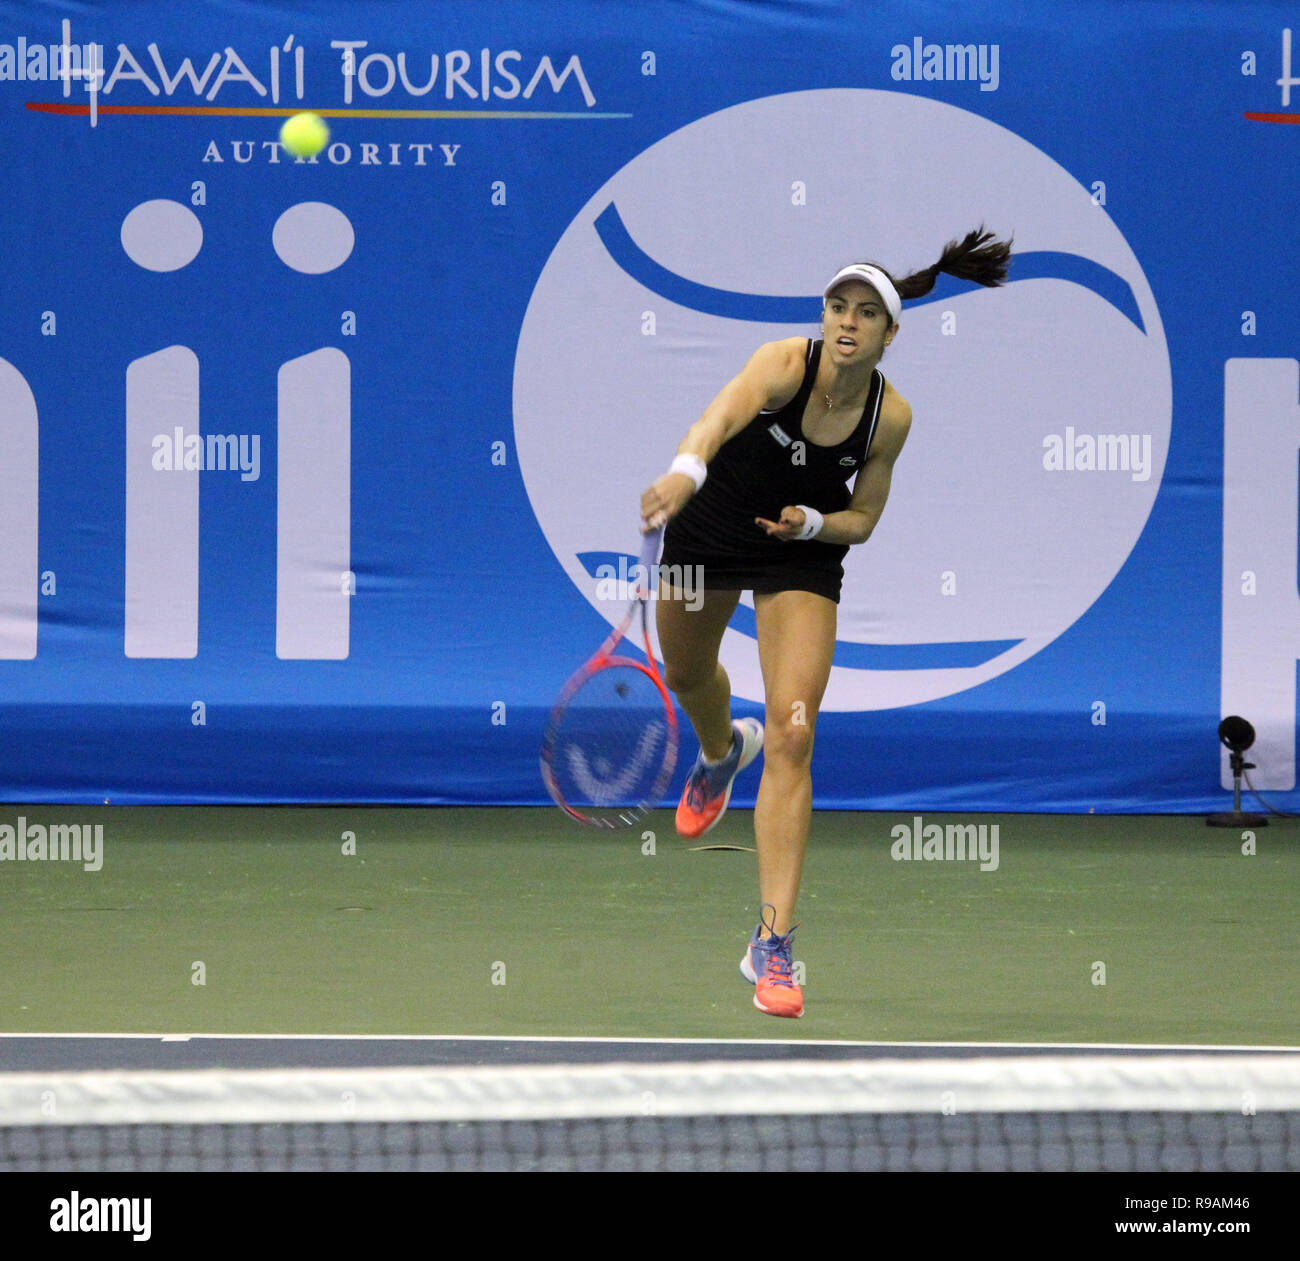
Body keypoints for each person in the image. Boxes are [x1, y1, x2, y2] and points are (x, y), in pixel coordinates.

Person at [640, 228, 1012, 1018]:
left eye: (866, 312)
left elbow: (865, 518)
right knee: (684, 672)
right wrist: (683, 471)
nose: (847, 321)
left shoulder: (891, 418)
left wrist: (814, 522)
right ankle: (718, 751)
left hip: (797, 554)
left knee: (797, 729)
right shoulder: (783, 363)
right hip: (704, 528)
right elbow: (717, 418)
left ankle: (771, 944)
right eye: (837, 306)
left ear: (889, 332)